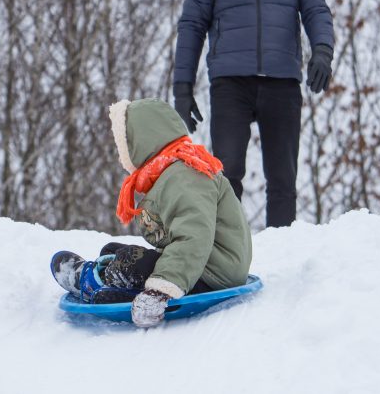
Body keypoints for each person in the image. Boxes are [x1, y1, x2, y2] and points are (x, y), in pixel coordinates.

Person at [173, 0, 334, 228]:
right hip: (231, 83)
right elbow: (191, 25)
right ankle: (228, 248)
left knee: (283, 177)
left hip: (282, 82)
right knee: (227, 172)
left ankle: (283, 246)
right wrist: (182, 88)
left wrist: (322, 49)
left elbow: (316, 8)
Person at [50, 98, 252, 328]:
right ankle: (110, 277)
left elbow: (193, 237)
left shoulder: (186, 175)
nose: (121, 155)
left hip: (211, 275)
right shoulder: (171, 174)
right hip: (201, 267)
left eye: (123, 145)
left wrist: (160, 291)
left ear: (142, 143)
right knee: (114, 250)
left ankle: (97, 283)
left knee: (131, 262)